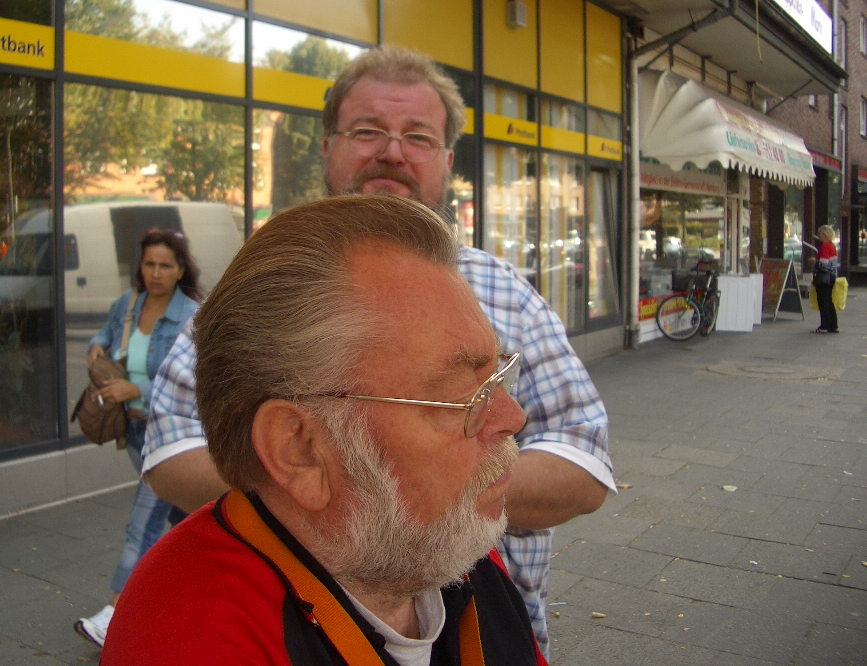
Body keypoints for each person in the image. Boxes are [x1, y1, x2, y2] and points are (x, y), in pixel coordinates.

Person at [141, 46, 615, 655]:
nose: (392, 152)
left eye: (418, 137)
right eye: (367, 131)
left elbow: (585, 463)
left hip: (495, 636)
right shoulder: (264, 283)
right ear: (327, 148)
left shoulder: (506, 289)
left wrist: (435, 487)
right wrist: (345, 489)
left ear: (447, 161)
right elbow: (170, 451)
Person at [103, 194, 545, 665]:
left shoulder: (446, 546)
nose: (511, 417)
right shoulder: (191, 642)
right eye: (463, 397)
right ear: (300, 449)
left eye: (497, 375)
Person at [73, 229, 202, 648]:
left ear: (181, 270)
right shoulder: (128, 305)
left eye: (166, 265)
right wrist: (96, 347)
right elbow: (105, 334)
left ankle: (113, 616)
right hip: (132, 430)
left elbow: (195, 381)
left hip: (171, 433)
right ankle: (202, 591)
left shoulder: (191, 316)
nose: (156, 273)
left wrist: (136, 389)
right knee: (186, 519)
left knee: (142, 525)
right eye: (149, 264)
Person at [811, 224, 839, 334]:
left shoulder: (825, 247)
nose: (819, 236)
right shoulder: (832, 246)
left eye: (820, 234)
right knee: (829, 301)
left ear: (824, 235)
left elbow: (824, 264)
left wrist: (815, 261)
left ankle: (824, 326)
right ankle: (833, 325)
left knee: (823, 302)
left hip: (824, 277)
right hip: (832, 276)